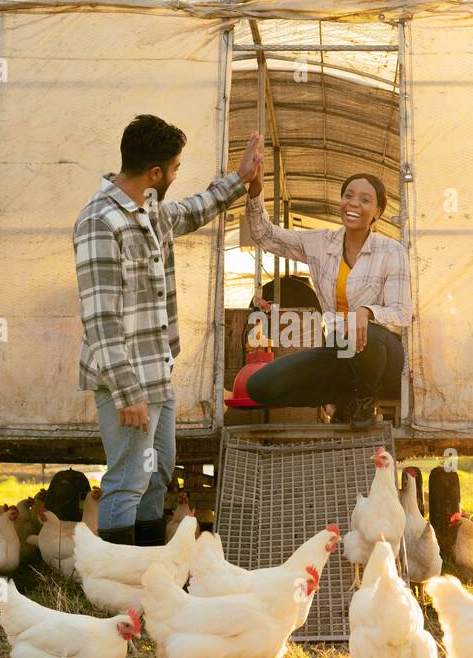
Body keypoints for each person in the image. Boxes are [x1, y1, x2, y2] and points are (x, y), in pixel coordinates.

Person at [75, 116, 263, 546]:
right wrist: (127, 391)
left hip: (157, 373)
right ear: (155, 174)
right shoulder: (100, 221)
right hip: (128, 379)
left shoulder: (150, 210)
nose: (177, 175)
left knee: (157, 478)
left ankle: (148, 579)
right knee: (127, 480)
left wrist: (241, 177)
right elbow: (101, 317)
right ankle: (118, 595)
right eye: (176, 168)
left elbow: (193, 210)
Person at [241, 170, 409, 430]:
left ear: (377, 211)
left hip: (383, 355)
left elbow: (401, 313)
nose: (354, 203)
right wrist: (256, 188)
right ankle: (341, 396)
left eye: (365, 200)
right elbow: (265, 235)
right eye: (348, 196)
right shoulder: (321, 243)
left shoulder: (391, 251)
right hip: (340, 350)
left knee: (359, 329)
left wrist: (366, 312)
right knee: (260, 387)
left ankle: (365, 399)